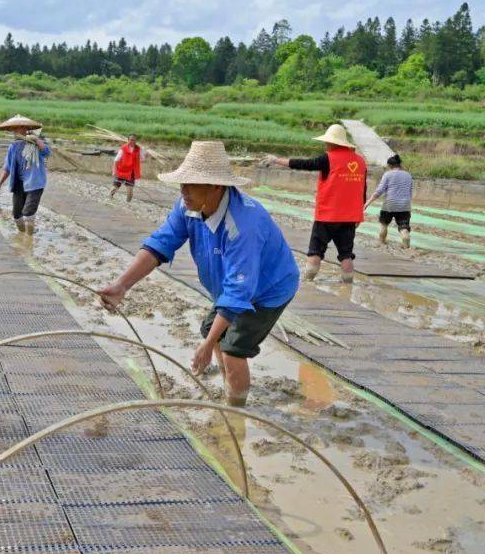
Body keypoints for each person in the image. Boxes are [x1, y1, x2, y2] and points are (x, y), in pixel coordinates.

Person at [99, 141, 299, 407]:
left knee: (233, 349)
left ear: (216, 186)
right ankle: (230, 383)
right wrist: (122, 285)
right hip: (231, 285)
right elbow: (161, 244)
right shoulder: (188, 207)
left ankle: (236, 409)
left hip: (267, 289)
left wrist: (206, 346)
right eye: (182, 184)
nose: (184, 191)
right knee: (210, 330)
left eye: (191, 184)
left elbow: (240, 291)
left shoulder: (243, 225)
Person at [261, 124, 367, 283]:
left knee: (315, 252)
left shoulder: (328, 158)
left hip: (327, 215)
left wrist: (276, 160)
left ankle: (308, 282)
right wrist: (358, 215)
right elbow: (362, 191)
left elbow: (305, 164)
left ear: (331, 142)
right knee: (346, 254)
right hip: (349, 217)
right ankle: (348, 286)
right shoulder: (360, 162)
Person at [0, 115, 49, 235]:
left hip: (35, 182)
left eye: (18, 128)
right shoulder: (13, 147)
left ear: (25, 128)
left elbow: (47, 152)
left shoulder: (34, 144)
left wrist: (36, 140)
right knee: (17, 214)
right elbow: (7, 168)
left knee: (28, 212)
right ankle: (23, 236)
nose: (15, 131)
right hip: (19, 183)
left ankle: (29, 241)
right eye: (14, 129)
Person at [365, 154, 413, 247]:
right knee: (403, 227)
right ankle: (405, 239)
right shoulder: (408, 175)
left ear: (390, 165)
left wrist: (368, 202)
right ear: (399, 164)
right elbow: (409, 192)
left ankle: (382, 242)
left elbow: (379, 191)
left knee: (384, 224)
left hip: (389, 204)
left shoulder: (388, 174)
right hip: (404, 205)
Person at [109, 134, 143, 202]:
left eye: (134, 140)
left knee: (130, 190)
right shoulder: (123, 148)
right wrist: (114, 171)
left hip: (131, 172)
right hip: (121, 171)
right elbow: (116, 160)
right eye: (131, 140)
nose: (132, 141)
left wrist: (145, 155)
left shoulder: (138, 149)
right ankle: (110, 198)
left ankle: (128, 204)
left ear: (136, 141)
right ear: (128, 140)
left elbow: (142, 158)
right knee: (115, 187)